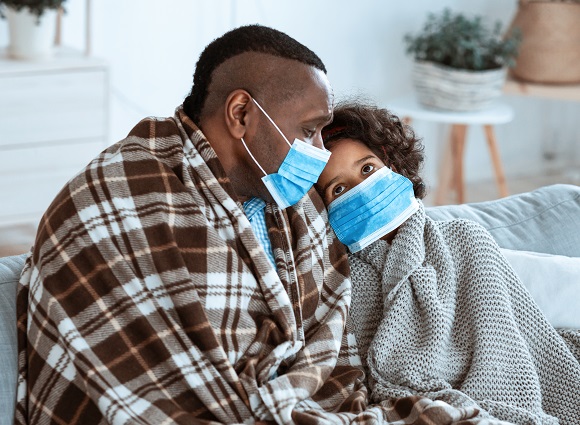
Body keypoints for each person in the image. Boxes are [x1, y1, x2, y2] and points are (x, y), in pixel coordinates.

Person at [14, 25, 484, 425]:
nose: (319, 150)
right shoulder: (119, 193)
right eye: (308, 130)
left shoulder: (291, 201)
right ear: (241, 115)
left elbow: (327, 348)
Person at [317, 101, 580, 424]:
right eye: (339, 188)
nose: (361, 190)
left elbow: (512, 338)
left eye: (367, 169)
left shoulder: (465, 238)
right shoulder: (341, 279)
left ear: (393, 164)